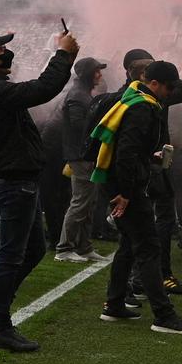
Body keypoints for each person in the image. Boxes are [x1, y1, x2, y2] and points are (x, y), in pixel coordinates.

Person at [0, 29, 78, 353]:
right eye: (1, 49)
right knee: (11, 256)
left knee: (32, 250)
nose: (7, 53)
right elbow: (43, 88)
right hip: (14, 180)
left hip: (19, 177)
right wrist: (63, 54)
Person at [91, 61, 182, 334]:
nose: (170, 93)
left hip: (118, 184)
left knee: (129, 245)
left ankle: (114, 304)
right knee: (149, 247)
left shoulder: (132, 98)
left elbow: (126, 149)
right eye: (169, 87)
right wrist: (125, 193)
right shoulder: (143, 107)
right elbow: (126, 153)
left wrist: (145, 157)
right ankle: (164, 316)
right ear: (154, 83)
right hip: (126, 189)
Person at [55, 57, 107, 262]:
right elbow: (79, 125)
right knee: (80, 202)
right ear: (87, 74)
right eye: (96, 71)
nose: (100, 75)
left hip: (84, 155)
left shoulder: (82, 94)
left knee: (89, 202)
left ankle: (84, 247)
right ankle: (64, 248)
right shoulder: (77, 96)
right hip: (80, 156)